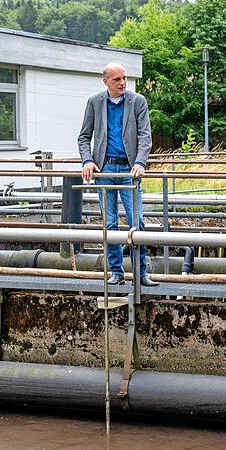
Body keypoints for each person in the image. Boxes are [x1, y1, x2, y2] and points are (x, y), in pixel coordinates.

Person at [78, 62, 158, 287]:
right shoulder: (94, 103)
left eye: (124, 78)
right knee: (109, 223)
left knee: (137, 221)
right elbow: (84, 137)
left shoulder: (137, 101)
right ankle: (116, 271)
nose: (122, 83)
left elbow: (145, 136)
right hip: (103, 171)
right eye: (117, 80)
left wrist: (141, 162)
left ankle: (141, 273)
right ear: (106, 82)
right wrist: (87, 160)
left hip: (129, 170)